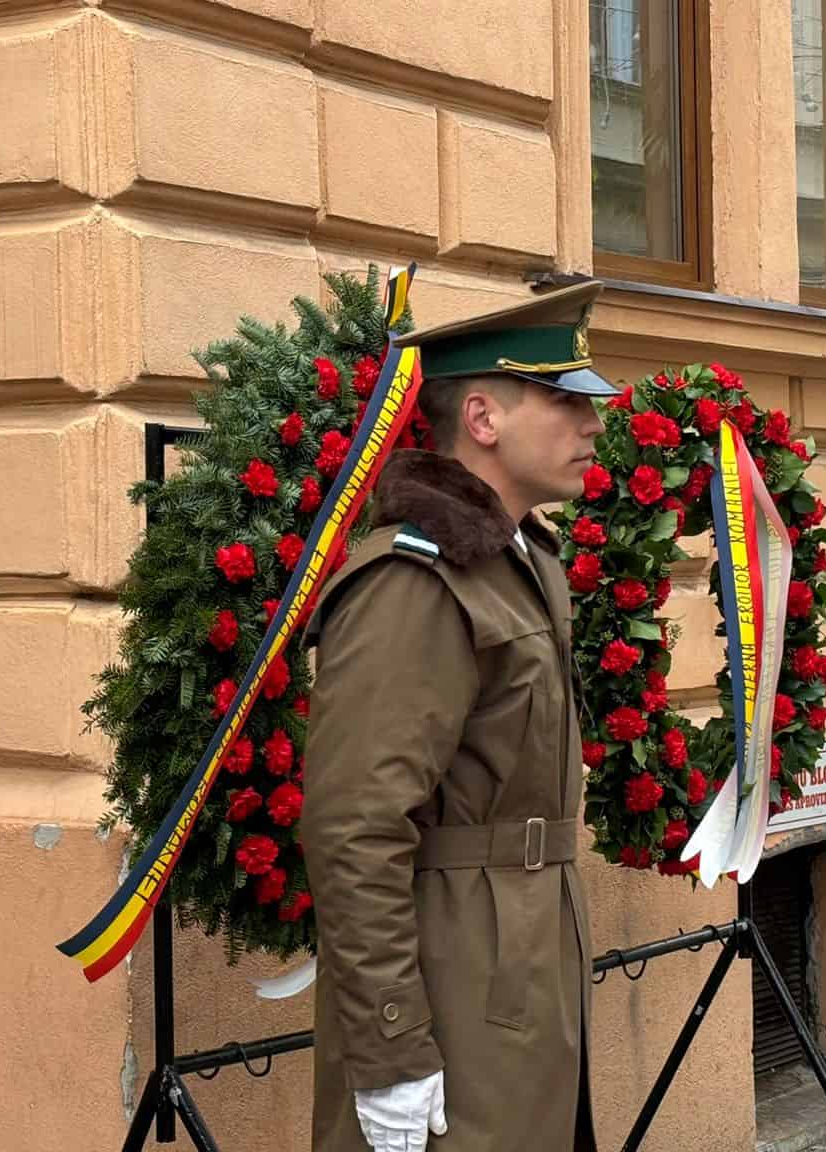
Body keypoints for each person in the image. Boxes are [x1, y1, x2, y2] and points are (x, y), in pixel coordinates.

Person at [300, 281, 614, 1152]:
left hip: (523, 964)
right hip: (455, 973)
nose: (592, 425)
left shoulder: (525, 563)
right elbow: (356, 826)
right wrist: (391, 1044)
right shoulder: (415, 582)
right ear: (482, 417)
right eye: (564, 401)